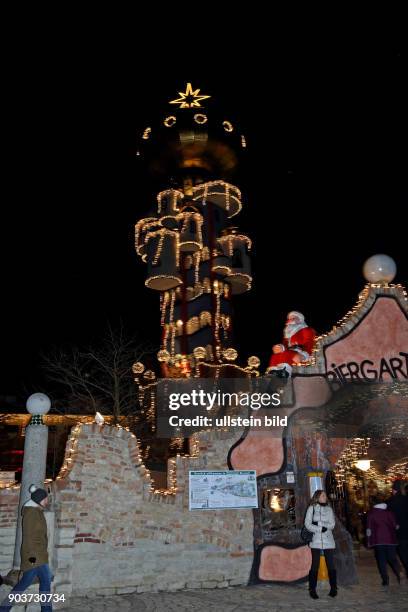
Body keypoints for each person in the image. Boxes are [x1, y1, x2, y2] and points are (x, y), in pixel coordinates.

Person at [0, 484, 53, 612]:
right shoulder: (32, 514)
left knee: (23, 584)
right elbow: (29, 537)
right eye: (45, 498)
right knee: (45, 583)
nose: (47, 500)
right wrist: (33, 559)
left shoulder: (37, 512)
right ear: (39, 499)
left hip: (37, 555)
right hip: (35, 556)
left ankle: (4, 608)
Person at [304, 489, 337, 599]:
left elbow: (332, 524)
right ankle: (312, 589)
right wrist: (319, 529)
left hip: (328, 540)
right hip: (316, 539)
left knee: (331, 565)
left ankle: (334, 588)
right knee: (315, 565)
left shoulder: (329, 509)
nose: (325, 497)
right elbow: (307, 524)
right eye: (323, 495)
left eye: (325, 495)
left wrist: (320, 524)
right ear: (317, 497)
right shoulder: (311, 508)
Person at [268, 311, 316, 377]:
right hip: (290, 351)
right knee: (274, 356)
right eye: (289, 319)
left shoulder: (306, 330)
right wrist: (280, 347)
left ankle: (284, 373)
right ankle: (273, 373)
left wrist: (303, 355)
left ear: (300, 320)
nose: (290, 320)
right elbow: (284, 344)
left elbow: (309, 343)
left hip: (300, 351)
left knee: (287, 354)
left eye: (293, 318)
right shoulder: (287, 334)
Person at [366, 498, 401, 586]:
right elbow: (395, 526)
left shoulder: (371, 514)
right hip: (390, 539)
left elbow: (369, 529)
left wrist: (368, 541)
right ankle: (398, 572)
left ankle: (385, 579)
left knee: (381, 560)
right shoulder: (389, 513)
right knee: (392, 557)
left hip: (378, 540)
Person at [386, 480, 408, 578]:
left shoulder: (391, 501)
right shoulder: (406, 499)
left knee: (402, 552)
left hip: (399, 531)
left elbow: (388, 518)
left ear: (394, 489)